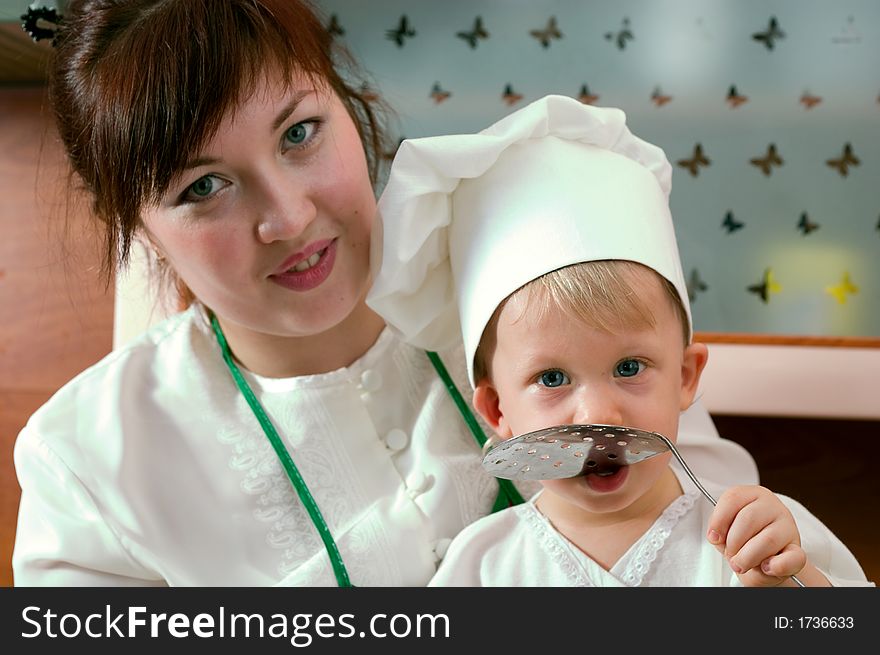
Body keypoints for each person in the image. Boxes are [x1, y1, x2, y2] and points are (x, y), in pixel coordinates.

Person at [13, 0, 757, 587]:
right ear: (133, 224)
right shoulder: (86, 459)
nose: (290, 217)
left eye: (299, 133)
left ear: (350, 105)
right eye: (203, 186)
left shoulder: (546, 306)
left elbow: (720, 545)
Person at [368, 95, 873, 587]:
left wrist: (791, 588)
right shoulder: (481, 568)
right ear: (498, 411)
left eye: (629, 367)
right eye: (552, 378)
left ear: (684, 377)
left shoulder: (758, 534)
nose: (598, 414)